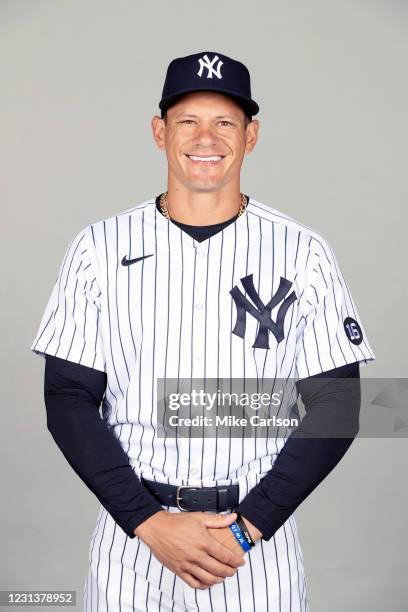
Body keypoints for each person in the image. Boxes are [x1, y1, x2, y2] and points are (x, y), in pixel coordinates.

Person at [31, 51, 375, 611]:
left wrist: (248, 528)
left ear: (251, 135)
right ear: (159, 131)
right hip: (134, 541)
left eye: (225, 122)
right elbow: (68, 398)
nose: (205, 137)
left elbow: (339, 405)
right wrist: (146, 521)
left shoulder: (303, 252)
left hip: (256, 544)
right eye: (188, 120)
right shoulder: (98, 249)